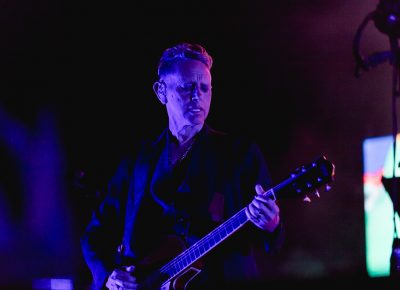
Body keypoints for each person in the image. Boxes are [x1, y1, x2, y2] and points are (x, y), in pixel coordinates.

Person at [80, 42, 283, 290]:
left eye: (205, 88)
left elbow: (272, 239)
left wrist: (270, 223)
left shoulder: (239, 154)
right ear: (160, 92)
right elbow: (95, 234)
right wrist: (110, 275)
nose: (198, 96)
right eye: (187, 87)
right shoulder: (137, 161)